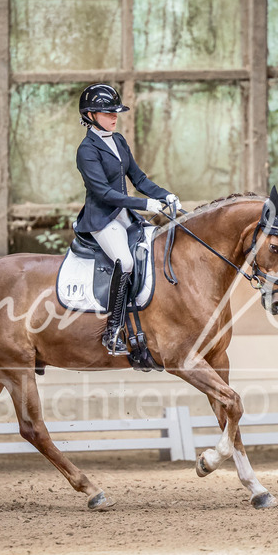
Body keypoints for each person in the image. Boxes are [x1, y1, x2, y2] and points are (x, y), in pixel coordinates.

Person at [74, 83, 179, 355]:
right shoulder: (87, 150)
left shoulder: (118, 140)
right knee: (127, 261)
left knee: (153, 249)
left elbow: (139, 178)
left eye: (115, 112)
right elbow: (105, 194)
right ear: (90, 115)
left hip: (124, 214)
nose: (114, 116)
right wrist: (146, 204)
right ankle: (112, 330)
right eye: (107, 112)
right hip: (101, 218)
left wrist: (165, 196)